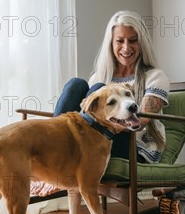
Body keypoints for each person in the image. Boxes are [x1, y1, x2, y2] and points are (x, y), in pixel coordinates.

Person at [31, 10, 170, 197]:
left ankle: (55, 169)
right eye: (120, 41)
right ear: (111, 44)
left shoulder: (154, 76)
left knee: (97, 87)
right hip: (96, 143)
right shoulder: (100, 76)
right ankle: (53, 154)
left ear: (142, 43)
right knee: (77, 84)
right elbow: (86, 116)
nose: (126, 47)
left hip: (132, 145)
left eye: (133, 40)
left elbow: (140, 121)